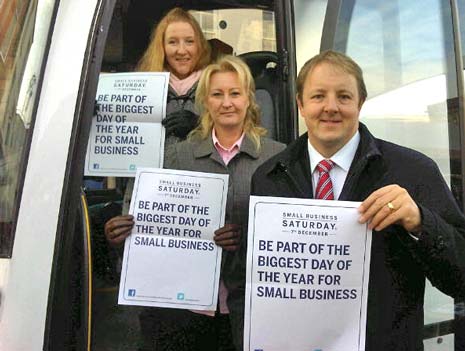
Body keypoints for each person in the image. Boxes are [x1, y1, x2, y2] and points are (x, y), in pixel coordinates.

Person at [251, 50, 465, 350]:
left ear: (360, 103)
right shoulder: (268, 177)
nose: (331, 107)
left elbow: (460, 279)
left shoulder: (413, 170)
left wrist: (420, 221)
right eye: (318, 96)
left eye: (344, 97)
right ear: (300, 104)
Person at [106, 55, 285, 350]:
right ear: (205, 101)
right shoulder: (178, 155)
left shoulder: (277, 157)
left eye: (235, 93)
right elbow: (151, 221)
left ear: (249, 99)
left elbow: (284, 234)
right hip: (183, 309)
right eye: (217, 94)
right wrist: (124, 232)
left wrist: (246, 237)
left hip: (249, 307)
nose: (227, 102)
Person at [137, 7, 211, 145]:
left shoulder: (215, 84)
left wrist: (200, 125)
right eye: (172, 42)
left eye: (189, 41)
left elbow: (236, 131)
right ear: (162, 47)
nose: (181, 51)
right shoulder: (142, 86)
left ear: (199, 45)